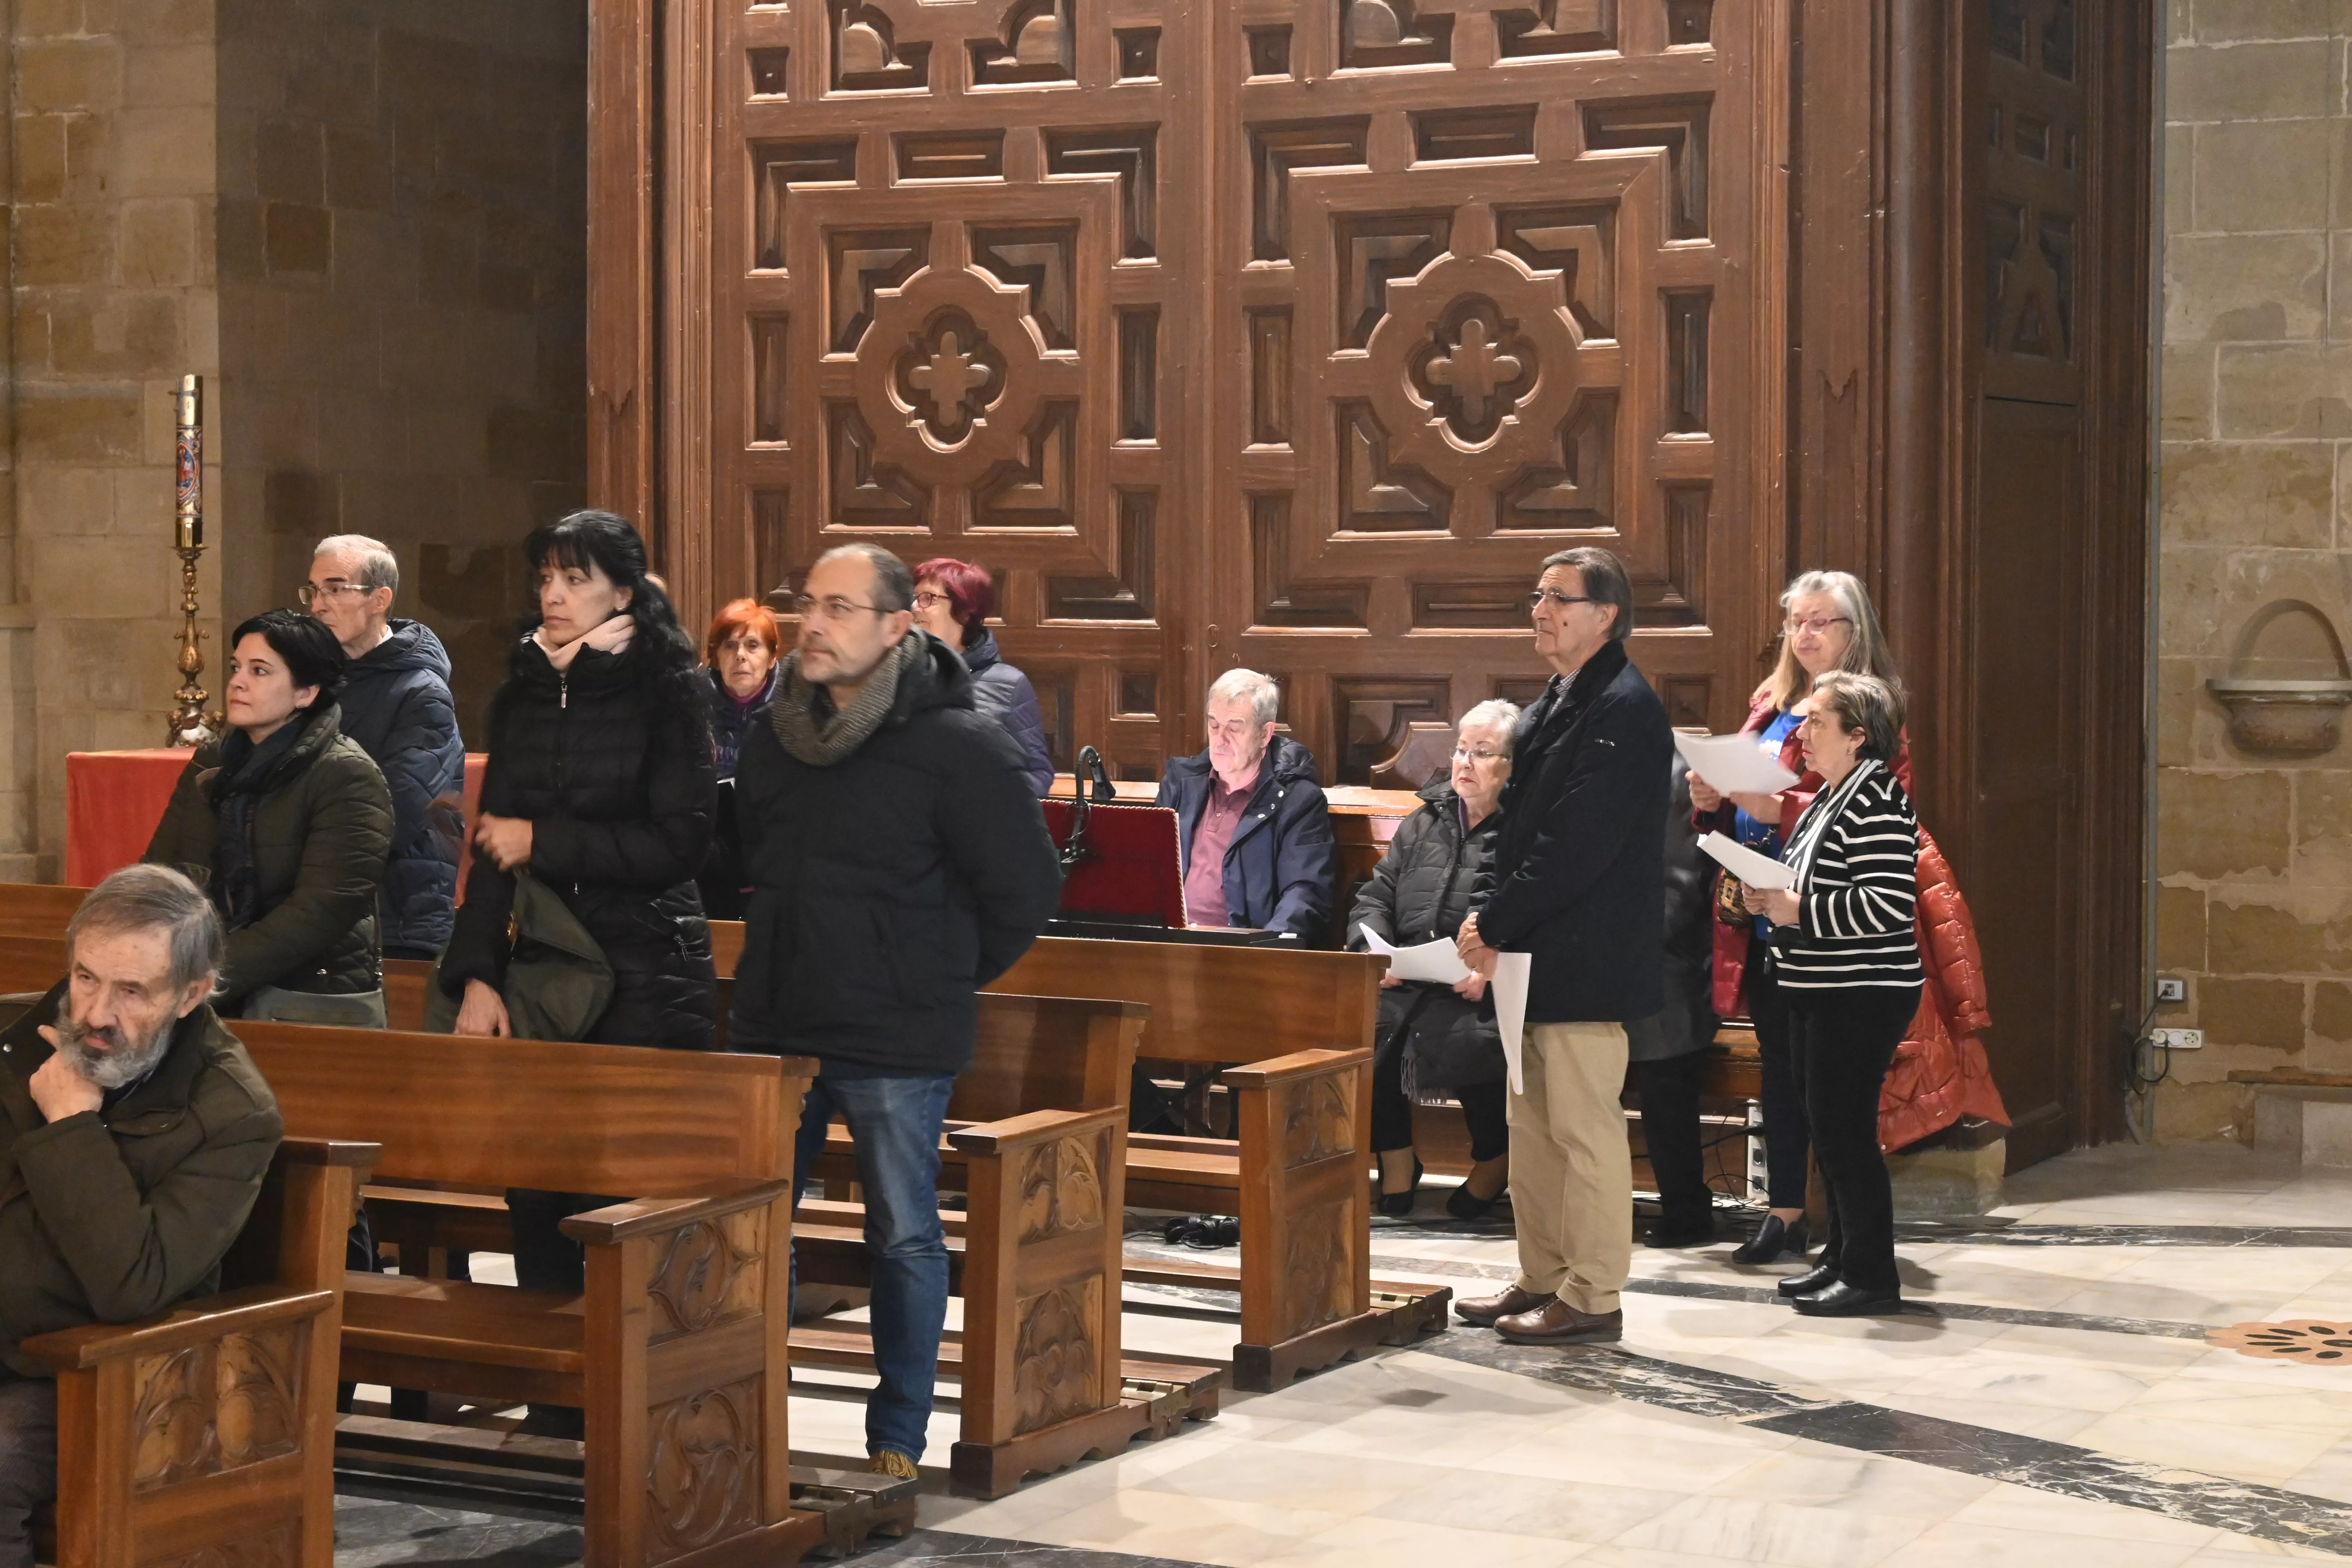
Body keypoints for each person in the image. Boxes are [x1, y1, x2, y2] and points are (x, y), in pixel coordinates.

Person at [730, 543, 1062, 1481]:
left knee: (904, 1233)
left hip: (897, 1032)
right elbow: (757, 859)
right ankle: (748, 1420)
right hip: (779, 1022)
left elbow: (1026, 889)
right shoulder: (776, 736)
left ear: (896, 625)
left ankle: (898, 1437)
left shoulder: (958, 743)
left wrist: (936, 973)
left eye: (840, 608)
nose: (814, 623)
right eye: (809, 603)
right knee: (755, 1229)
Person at [438, 510, 718, 1431]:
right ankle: (558, 1406)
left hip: (646, 968)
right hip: (544, 973)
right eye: (545, 578)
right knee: (536, 1185)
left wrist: (545, 841)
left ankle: (633, 1410)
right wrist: (479, 976)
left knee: (615, 1195)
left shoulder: (669, 687)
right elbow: (492, 848)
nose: (552, 596)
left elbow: (682, 843)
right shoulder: (524, 686)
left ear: (622, 592)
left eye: (573, 579)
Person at [0, 866, 284, 1568]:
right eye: (85, 978)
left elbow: (131, 1284)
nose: (96, 1014)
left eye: (131, 991)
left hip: (101, 1376)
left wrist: (71, 1127)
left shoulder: (232, 1113)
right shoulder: (13, 1040)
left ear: (191, 994)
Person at [1453, 547, 1671, 1347]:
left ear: (1605, 614)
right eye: (1537, 596)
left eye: (1557, 598)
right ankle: (1541, 1274)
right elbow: (1514, 827)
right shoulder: (1558, 696)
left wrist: (1494, 923)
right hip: (1533, 953)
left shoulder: (1624, 707)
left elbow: (1575, 845)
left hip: (1586, 957)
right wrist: (1489, 915)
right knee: (1534, 1133)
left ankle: (1593, 1293)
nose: (1540, 611)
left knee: (1583, 1135)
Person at [1688, 569, 1908, 1266]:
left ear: (1854, 630)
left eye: (1820, 622)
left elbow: (1864, 805)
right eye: (1795, 621)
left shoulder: (1869, 710)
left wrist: (1771, 807)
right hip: (1763, 914)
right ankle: (1784, 1213)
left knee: (1833, 1095)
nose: (1804, 634)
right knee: (1782, 1071)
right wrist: (1712, 799)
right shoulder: (1771, 701)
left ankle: (1844, 1241)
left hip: (1831, 927)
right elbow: (1746, 799)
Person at [1742, 672, 1922, 1317]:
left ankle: (1872, 1275)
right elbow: (1814, 882)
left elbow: (1886, 906)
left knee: (1846, 1136)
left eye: (1817, 722)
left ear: (1858, 736)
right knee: (1830, 1130)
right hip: (1820, 985)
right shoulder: (1830, 794)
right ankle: (1842, 1260)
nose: (1803, 733)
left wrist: (1798, 910)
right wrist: (1769, 894)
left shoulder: (1876, 798)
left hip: (1862, 991)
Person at [144, 609, 393, 1024]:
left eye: (259, 671)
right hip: (201, 986)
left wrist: (201, 977)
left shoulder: (348, 776)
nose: (237, 682)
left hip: (306, 999)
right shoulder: (211, 762)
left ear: (306, 692)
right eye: (236, 668)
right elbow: (159, 874)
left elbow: (317, 915)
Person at [1347, 700, 1518, 1220]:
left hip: (1481, 983)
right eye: (1461, 750)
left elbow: (1533, 912)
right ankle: (1395, 1154)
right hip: (1408, 975)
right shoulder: (1426, 820)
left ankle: (1495, 1157)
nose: (1465, 762)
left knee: (1471, 1037)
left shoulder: (1523, 828)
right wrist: (1374, 949)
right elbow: (1376, 895)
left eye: (1482, 752)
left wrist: (1492, 969)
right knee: (1365, 1028)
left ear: (1513, 764)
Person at [303, 534, 465, 962]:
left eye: (335, 589)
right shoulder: (313, 680)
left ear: (380, 599)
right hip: (322, 910)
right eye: (314, 591)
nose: (318, 605)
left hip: (396, 918)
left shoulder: (422, 692)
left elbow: (397, 809)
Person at [1627, 759, 1725, 1247]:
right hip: (1600, 951)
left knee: (1665, 1076)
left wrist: (1629, 941)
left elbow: (1683, 878)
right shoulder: (1582, 763)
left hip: (1664, 955)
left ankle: (1686, 1210)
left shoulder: (1676, 773)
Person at [1157, 670, 1334, 937]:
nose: (1220, 740)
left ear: (1265, 734)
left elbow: (1305, 894)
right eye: (1214, 725)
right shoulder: (1180, 787)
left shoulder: (1299, 802)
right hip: (1167, 940)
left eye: (1234, 728)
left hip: (1242, 947)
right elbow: (1145, 870)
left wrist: (1261, 950)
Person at [911, 558, 1053, 795]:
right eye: (915, 597)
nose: (915, 607)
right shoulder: (898, 675)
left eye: (928, 598)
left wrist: (987, 799)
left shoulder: (1009, 684)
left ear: (965, 612)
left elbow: (1038, 773)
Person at [698, 599, 783, 920]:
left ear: (772, 658)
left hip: (776, 854)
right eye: (730, 646)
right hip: (710, 857)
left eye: (753, 646)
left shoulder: (795, 709)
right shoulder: (692, 706)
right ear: (716, 657)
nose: (741, 656)